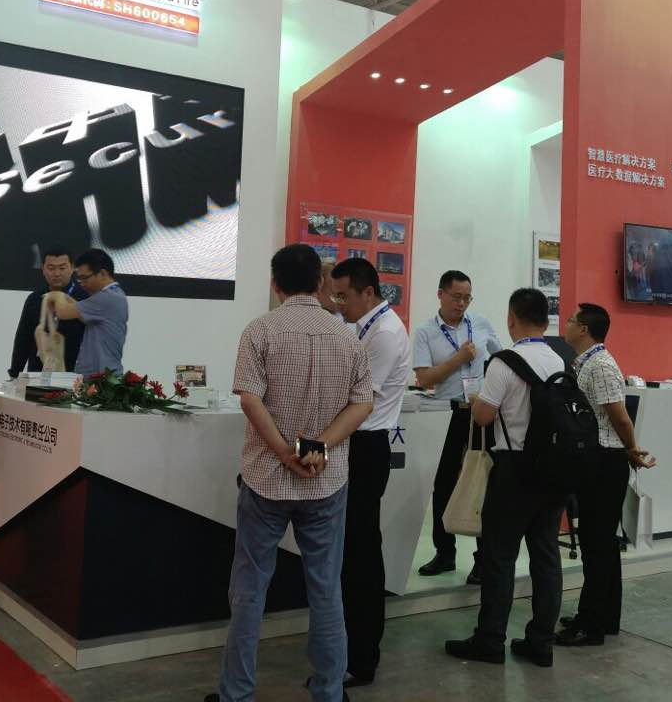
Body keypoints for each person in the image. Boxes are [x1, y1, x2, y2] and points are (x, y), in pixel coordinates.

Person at [207, 244, 373, 702]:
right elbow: (362, 403)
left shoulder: (260, 330)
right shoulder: (348, 338)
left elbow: (250, 399)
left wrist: (284, 452)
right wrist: (318, 447)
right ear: (321, 283)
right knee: (326, 589)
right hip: (326, 481)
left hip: (266, 478)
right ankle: (329, 691)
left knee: (249, 590)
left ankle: (236, 694)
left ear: (275, 284)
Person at [445, 288, 565, 667]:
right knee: (546, 556)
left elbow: (483, 416)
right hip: (553, 470)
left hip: (513, 469)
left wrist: (479, 401)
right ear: (545, 321)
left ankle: (490, 639)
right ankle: (541, 641)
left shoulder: (504, 362)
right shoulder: (560, 360)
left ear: (512, 318)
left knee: (500, 557)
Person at [330, 257, 412, 688]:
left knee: (361, 555)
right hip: (351, 445)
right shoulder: (358, 326)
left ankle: (363, 658)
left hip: (365, 447)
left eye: (344, 296)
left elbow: (357, 399)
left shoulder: (385, 333)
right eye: (335, 295)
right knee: (348, 554)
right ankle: (346, 648)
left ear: (367, 292)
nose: (338, 304)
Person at [556, 303, 655, 647]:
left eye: (571, 320)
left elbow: (620, 416)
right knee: (602, 544)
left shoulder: (600, 365)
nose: (566, 324)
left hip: (604, 461)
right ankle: (605, 616)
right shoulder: (586, 363)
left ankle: (591, 624)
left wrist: (632, 449)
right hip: (597, 458)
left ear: (584, 329)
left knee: (596, 546)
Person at [412, 270, 503, 582]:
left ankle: (483, 558)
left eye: (467, 298)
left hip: (480, 413)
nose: (461, 303)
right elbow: (424, 378)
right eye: (456, 297)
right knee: (444, 483)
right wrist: (458, 358)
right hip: (446, 413)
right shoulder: (425, 332)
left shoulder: (481, 323)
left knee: (482, 480)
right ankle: (444, 552)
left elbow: (501, 359)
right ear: (441, 294)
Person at [7, 248, 88, 377]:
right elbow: (23, 338)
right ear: (43, 269)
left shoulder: (84, 298)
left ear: (72, 268)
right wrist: (15, 373)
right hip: (38, 374)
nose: (57, 273)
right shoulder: (34, 299)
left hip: (74, 375)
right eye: (51, 268)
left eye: (62, 268)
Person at [46, 249, 128, 376]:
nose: (82, 283)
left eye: (85, 278)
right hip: (100, 375)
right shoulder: (115, 294)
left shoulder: (107, 298)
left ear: (102, 273)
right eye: (79, 279)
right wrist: (66, 298)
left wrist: (55, 294)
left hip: (101, 378)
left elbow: (62, 312)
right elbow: (82, 315)